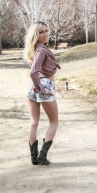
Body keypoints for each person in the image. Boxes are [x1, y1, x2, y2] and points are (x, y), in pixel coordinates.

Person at [23, 21, 61, 165]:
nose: (45, 34)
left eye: (46, 31)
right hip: (44, 86)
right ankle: (42, 155)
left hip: (34, 86)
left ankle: (34, 157)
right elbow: (34, 71)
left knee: (34, 122)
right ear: (35, 34)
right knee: (54, 122)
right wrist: (40, 86)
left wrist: (54, 64)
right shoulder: (43, 50)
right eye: (41, 32)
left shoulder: (35, 49)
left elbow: (39, 65)